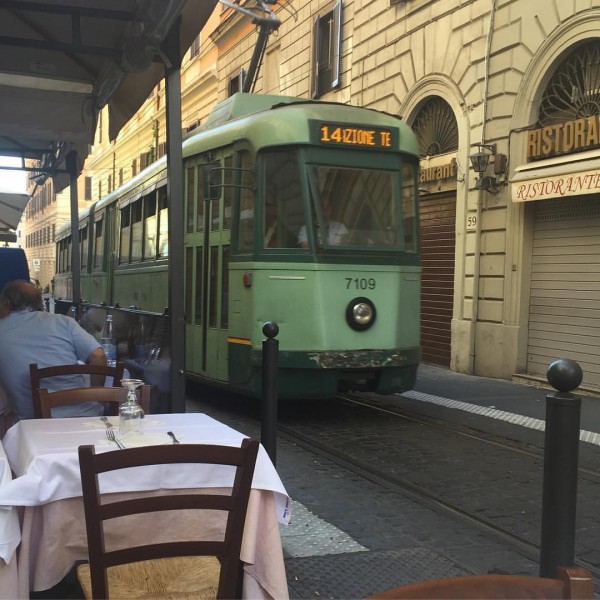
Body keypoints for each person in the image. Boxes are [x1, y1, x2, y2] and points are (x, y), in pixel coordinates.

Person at [0, 280, 107, 421]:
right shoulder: (63, 322)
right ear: (39, 303)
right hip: (85, 419)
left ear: (7, 303)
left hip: (33, 426)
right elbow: (98, 356)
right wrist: (96, 395)